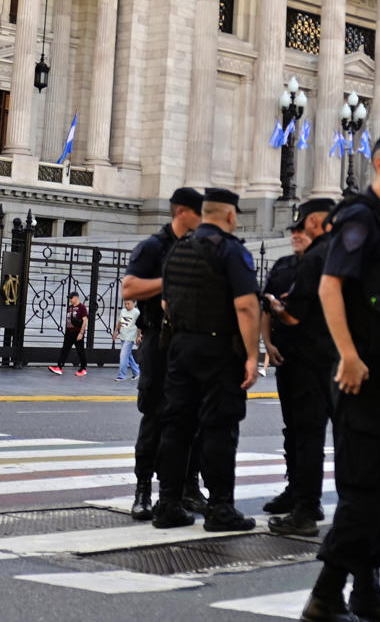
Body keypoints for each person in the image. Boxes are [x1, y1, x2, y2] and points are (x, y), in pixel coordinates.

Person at [302, 128, 380, 622]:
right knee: (368, 487)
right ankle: (327, 596)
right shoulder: (358, 218)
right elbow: (331, 287)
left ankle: (367, 590)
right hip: (359, 371)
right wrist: (348, 355)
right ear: (379, 164)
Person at [152, 187, 261, 533]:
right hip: (218, 351)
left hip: (180, 347)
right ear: (230, 215)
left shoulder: (178, 250)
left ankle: (168, 504)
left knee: (176, 426)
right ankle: (220, 509)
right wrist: (252, 355)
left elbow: (166, 303)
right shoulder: (230, 252)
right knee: (218, 426)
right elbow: (245, 306)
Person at [122, 186, 205, 519]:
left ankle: (189, 487)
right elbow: (129, 288)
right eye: (199, 213)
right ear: (182, 212)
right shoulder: (153, 247)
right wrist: (168, 280)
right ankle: (143, 488)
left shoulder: (199, 247)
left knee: (193, 418)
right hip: (160, 339)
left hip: (191, 340)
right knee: (155, 414)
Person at [263, 197, 338, 538]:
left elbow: (290, 313)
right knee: (295, 430)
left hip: (315, 359)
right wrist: (268, 343)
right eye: (292, 230)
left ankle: (307, 507)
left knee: (309, 434)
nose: (296, 234)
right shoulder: (285, 265)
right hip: (296, 358)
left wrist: (280, 311)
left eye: (301, 227)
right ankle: (297, 493)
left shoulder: (320, 261)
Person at [50, 291, 89, 377]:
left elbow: (85, 320)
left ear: (76, 298)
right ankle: (59, 367)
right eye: (70, 298)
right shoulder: (70, 307)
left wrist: (81, 333)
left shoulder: (82, 307)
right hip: (69, 333)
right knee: (65, 350)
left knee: (80, 351)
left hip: (77, 333)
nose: (70, 300)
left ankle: (83, 368)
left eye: (71, 298)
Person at [114, 299, 141, 381]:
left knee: (123, 355)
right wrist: (115, 331)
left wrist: (138, 336)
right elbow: (120, 322)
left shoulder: (136, 312)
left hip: (130, 337)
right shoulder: (123, 311)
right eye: (125, 304)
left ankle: (122, 375)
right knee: (127, 355)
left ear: (134, 303)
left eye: (128, 304)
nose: (126, 306)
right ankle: (137, 372)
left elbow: (140, 325)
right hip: (123, 335)